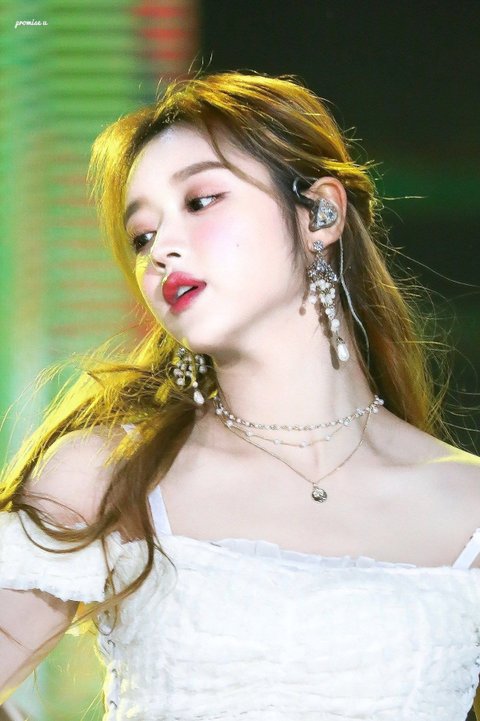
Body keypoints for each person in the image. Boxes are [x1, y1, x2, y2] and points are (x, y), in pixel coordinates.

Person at [0, 71, 479, 721]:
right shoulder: (107, 475)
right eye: (143, 236)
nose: (162, 251)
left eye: (201, 201)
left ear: (321, 214)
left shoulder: (469, 505)